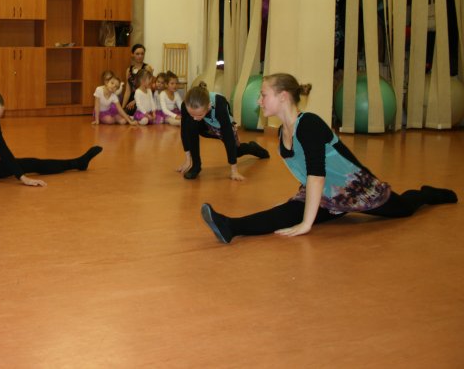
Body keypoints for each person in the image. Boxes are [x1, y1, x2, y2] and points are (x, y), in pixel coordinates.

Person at [200, 73, 458, 244]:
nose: (258, 100)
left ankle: (428, 194)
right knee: (284, 213)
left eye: (263, 94)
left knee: (404, 208)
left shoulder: (309, 124)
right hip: (326, 193)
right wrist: (299, 206)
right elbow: (308, 175)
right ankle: (230, 226)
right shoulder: (281, 133)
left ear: (283, 96)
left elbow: (316, 175)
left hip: (357, 190)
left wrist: (306, 224)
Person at [177, 81, 269, 181]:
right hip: (205, 126)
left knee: (236, 152)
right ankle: (196, 165)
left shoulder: (219, 103)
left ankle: (253, 147)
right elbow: (184, 131)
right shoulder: (186, 104)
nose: (195, 117)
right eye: (192, 114)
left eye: (199, 114)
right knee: (191, 124)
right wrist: (188, 159)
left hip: (222, 127)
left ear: (209, 106)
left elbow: (228, 135)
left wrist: (234, 171)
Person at [121, 44, 154, 114]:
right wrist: (122, 107)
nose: (140, 56)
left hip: (143, 98)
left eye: (142, 54)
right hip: (132, 98)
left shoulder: (147, 68)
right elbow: (128, 90)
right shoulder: (129, 70)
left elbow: (149, 89)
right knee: (123, 113)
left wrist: (135, 101)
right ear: (132, 55)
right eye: (137, 54)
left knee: (132, 114)